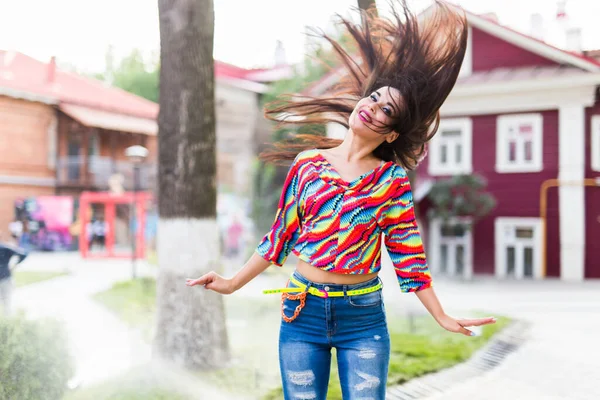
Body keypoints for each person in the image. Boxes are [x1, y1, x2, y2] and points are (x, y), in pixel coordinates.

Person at [186, 2, 495, 398]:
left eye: (387, 111)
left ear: (392, 135)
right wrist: (231, 283)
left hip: (362, 320)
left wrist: (440, 315)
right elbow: (280, 236)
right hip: (301, 313)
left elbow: (408, 257)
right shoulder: (309, 164)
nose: (372, 107)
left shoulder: (391, 181)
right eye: (374, 98)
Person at [0, 234, 28, 316]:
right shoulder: (5, 248)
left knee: (7, 301)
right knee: (7, 301)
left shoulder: (4, 248)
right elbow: (23, 254)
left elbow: (23, 254)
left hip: (5, 278)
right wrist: (15, 264)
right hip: (5, 276)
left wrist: (15, 264)